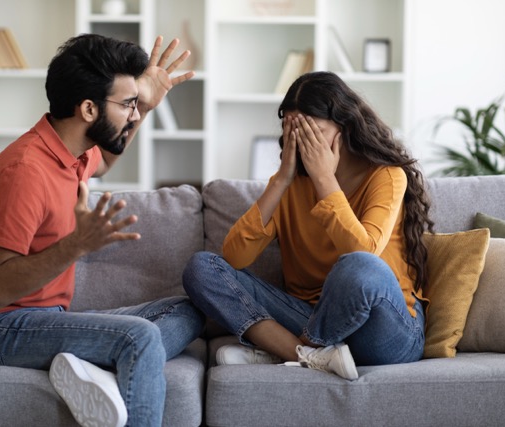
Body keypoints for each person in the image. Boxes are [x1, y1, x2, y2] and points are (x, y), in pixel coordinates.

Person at [0, 34, 205, 427]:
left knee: (190, 309)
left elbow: (107, 160)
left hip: (43, 317)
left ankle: (97, 366)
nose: (133, 114)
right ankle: (111, 359)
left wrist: (144, 105)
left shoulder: (73, 152)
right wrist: (76, 245)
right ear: (87, 108)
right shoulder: (25, 173)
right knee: (140, 338)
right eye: (127, 104)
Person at [182, 71, 434, 380]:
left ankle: (288, 350)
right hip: (308, 315)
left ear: (345, 127)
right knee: (202, 267)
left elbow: (362, 252)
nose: (304, 142)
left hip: (387, 330)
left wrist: (324, 179)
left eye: (314, 132)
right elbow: (234, 257)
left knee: (359, 267)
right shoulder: (289, 186)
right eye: (294, 131)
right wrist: (281, 179)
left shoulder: (386, 176)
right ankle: (308, 355)